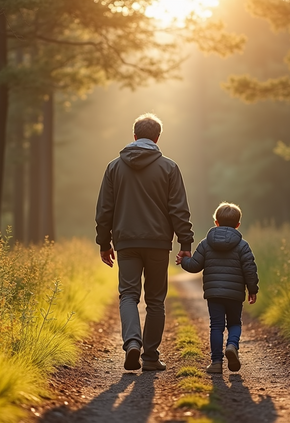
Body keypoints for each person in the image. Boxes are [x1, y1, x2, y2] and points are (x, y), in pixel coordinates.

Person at [95, 113, 194, 371]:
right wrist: (185, 243)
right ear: (157, 138)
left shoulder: (114, 167)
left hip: (126, 242)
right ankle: (150, 357)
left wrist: (104, 243)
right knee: (155, 300)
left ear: (134, 136)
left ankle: (132, 344)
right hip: (159, 243)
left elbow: (105, 209)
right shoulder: (169, 167)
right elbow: (179, 210)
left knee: (128, 294)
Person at [176, 202, 259, 373]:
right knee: (234, 323)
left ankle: (216, 362)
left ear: (216, 222)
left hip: (214, 294)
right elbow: (250, 269)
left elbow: (194, 266)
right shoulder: (243, 246)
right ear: (238, 225)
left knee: (216, 326)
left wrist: (182, 261)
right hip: (235, 294)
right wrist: (252, 289)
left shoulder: (206, 244)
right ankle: (232, 346)